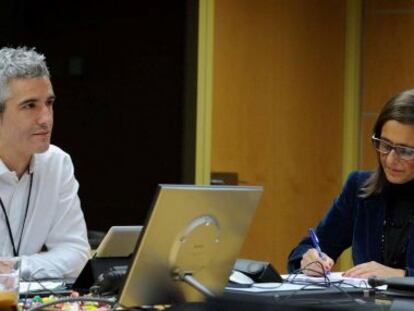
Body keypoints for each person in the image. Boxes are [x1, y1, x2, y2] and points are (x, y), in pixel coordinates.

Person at [288, 89, 414, 278]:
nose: (390, 160)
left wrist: (402, 276)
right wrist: (309, 259)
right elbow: (310, 247)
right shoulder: (359, 188)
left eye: (405, 151)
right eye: (385, 146)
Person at [0, 47, 90, 279]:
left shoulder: (57, 163)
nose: (46, 118)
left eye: (49, 103)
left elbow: (76, 255)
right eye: (30, 105)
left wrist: (15, 268)